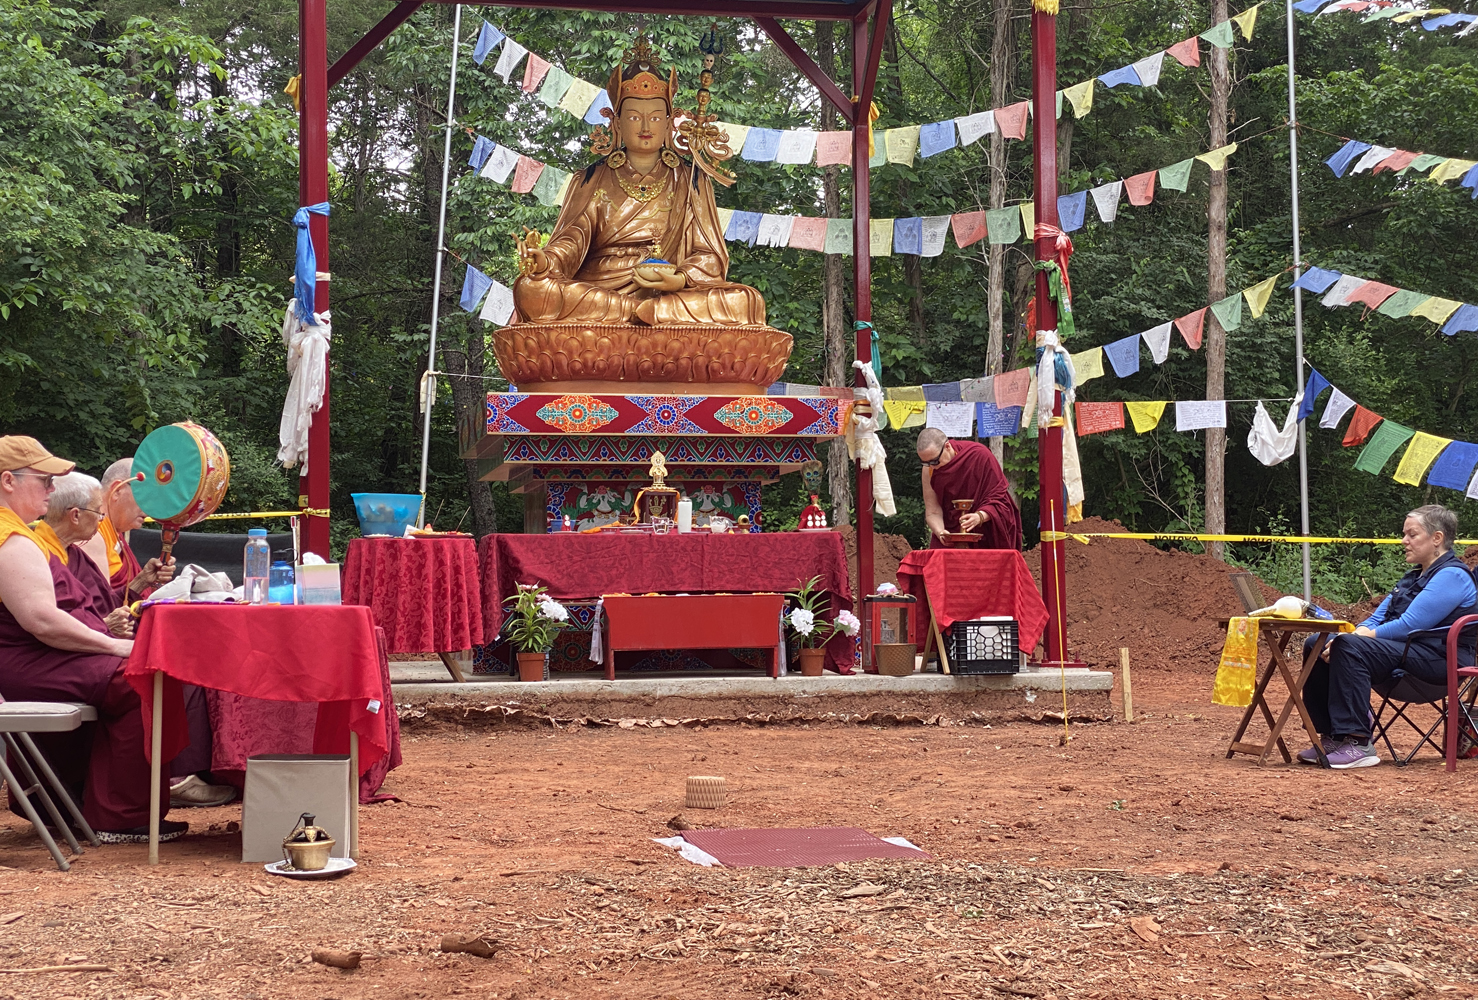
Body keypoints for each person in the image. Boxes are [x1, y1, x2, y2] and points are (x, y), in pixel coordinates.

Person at [0, 436, 186, 842]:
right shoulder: (8, 540)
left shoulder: (21, 533)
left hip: (46, 656)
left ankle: (74, 799)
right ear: (8, 481)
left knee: (144, 670)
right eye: (44, 480)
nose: (51, 489)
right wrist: (116, 646)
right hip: (30, 662)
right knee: (141, 678)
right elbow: (42, 622)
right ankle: (119, 817)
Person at [32, 472, 233, 809]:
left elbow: (101, 602)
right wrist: (106, 634)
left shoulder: (80, 549)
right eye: (97, 512)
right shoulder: (57, 545)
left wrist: (138, 585)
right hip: (50, 656)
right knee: (144, 678)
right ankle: (127, 801)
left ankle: (158, 784)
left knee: (172, 664)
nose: (148, 512)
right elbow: (54, 618)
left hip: (84, 644)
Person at [1298, 505, 1477, 769]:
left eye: (1412, 535)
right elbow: (1377, 618)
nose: (1404, 541)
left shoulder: (1451, 576)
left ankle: (1358, 742)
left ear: (1437, 538)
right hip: (1403, 654)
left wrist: (1358, 638)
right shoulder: (1413, 576)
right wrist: (1357, 632)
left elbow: (1409, 624)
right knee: (1317, 643)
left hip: (1439, 662)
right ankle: (1332, 737)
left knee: (1348, 646)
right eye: (1404, 534)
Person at [917, 427, 1022, 550]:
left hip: (986, 532)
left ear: (947, 446)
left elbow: (1001, 502)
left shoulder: (979, 455)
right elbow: (932, 511)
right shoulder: (929, 470)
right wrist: (940, 532)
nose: (932, 467)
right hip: (951, 533)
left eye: (935, 461)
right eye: (926, 463)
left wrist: (980, 516)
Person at [92, 457, 173, 602]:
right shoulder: (90, 533)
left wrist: (152, 582)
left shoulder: (115, 532)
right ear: (117, 490)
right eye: (144, 498)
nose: (148, 510)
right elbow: (100, 605)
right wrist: (141, 581)